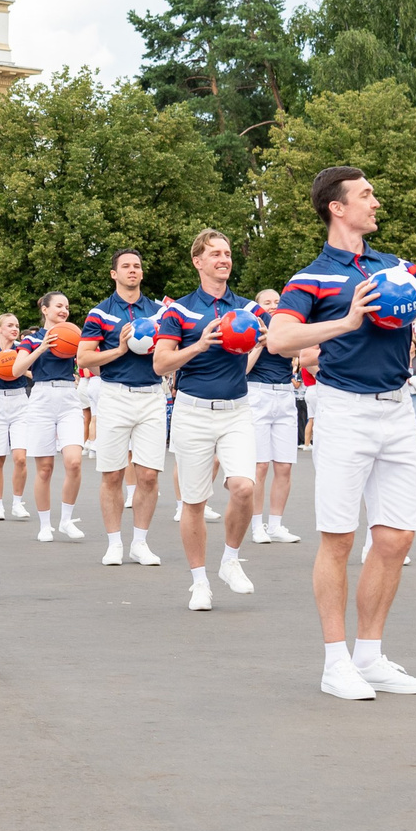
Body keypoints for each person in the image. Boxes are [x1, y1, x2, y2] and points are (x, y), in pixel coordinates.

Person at [268, 166, 416, 701]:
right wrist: (346, 321)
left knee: (395, 538)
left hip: (396, 412)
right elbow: (279, 339)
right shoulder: (311, 277)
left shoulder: (399, 268)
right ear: (336, 208)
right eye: (366, 195)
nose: (376, 202)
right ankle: (334, 661)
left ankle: (370, 655)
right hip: (344, 411)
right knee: (339, 539)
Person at [159, 229, 270, 605]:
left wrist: (263, 338)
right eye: (215, 254)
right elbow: (161, 363)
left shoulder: (248, 310)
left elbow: (267, 338)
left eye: (227, 253)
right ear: (198, 262)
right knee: (193, 500)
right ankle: (199, 582)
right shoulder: (179, 311)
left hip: (237, 410)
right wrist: (201, 343)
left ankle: (231, 560)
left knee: (244, 487)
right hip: (192, 411)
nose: (224, 259)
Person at [78, 248, 174, 568]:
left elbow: (174, 345)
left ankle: (140, 544)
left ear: (142, 274)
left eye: (137, 266)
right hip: (115, 395)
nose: (132, 270)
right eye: (126, 266)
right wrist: (119, 349)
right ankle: (114, 543)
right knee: (113, 474)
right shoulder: (100, 313)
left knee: (147, 475)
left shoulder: (160, 312)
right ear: (114, 274)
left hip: (151, 395)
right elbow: (84, 359)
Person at [19, 292, 88, 542]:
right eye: (59, 306)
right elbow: (17, 369)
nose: (64, 310)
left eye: (67, 307)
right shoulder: (31, 339)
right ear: (45, 310)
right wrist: (42, 346)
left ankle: (67, 520)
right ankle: (45, 524)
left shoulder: (73, 335)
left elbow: (88, 362)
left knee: (74, 462)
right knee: (45, 468)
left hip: (69, 397)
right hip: (41, 398)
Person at [246, 289, 307, 541]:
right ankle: (256, 525)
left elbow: (299, 354)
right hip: (257, 393)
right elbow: (244, 368)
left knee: (284, 466)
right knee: (259, 466)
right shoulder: (247, 329)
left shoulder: (289, 328)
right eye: (267, 302)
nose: (273, 305)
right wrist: (260, 342)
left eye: (277, 302)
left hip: (284, 396)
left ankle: (276, 525)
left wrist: (275, 339)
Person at [0, 310, 35, 525]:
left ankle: (18, 503)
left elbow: (34, 373)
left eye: (17, 325)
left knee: (20, 457)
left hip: (20, 402)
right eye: (10, 325)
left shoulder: (23, 351)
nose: (15, 328)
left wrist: (25, 371)